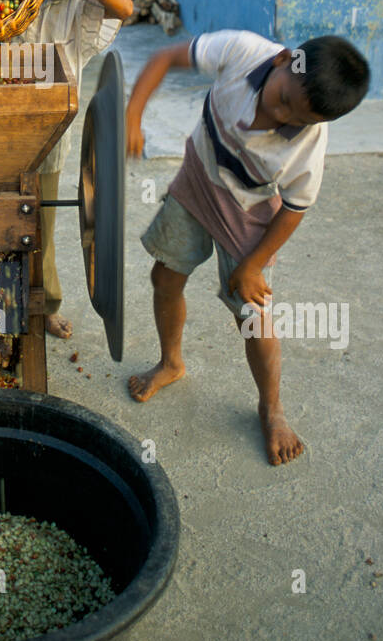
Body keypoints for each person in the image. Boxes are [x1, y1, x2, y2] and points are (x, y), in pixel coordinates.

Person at [125, 31, 370, 465]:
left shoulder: (309, 144)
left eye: (298, 116)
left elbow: (295, 207)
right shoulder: (241, 51)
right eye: (283, 98)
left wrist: (253, 266)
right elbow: (165, 58)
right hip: (201, 177)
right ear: (282, 61)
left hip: (251, 212)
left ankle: (271, 409)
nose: (281, 115)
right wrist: (132, 115)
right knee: (164, 275)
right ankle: (171, 363)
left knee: (254, 317)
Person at [15, 0, 133, 339]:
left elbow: (125, 6)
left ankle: (44, 304)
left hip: (49, 137)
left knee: (38, 225)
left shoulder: (85, 4)